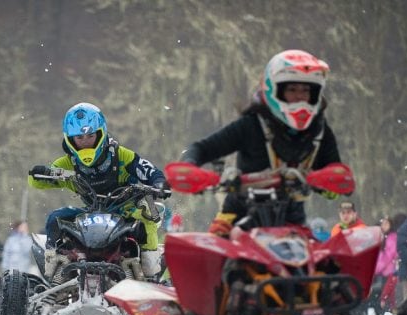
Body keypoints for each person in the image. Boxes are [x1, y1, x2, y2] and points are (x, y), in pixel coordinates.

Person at [179, 49, 349, 236]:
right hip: (236, 218)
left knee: (326, 264)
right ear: (275, 90)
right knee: (204, 258)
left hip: (293, 223)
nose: (300, 97)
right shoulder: (251, 125)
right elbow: (201, 148)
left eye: (306, 90)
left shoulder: (320, 131)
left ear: (315, 94)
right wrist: (189, 167)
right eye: (292, 90)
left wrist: (328, 183)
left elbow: (336, 176)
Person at [29, 102, 169, 277]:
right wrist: (39, 173)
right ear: (70, 140)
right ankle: (55, 273)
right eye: (79, 138)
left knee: (148, 213)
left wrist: (159, 183)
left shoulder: (121, 155)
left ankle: (150, 272)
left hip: (125, 212)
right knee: (54, 218)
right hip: (90, 214)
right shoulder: (66, 164)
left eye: (90, 136)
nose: (85, 142)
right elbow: (36, 182)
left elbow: (149, 170)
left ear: (101, 133)